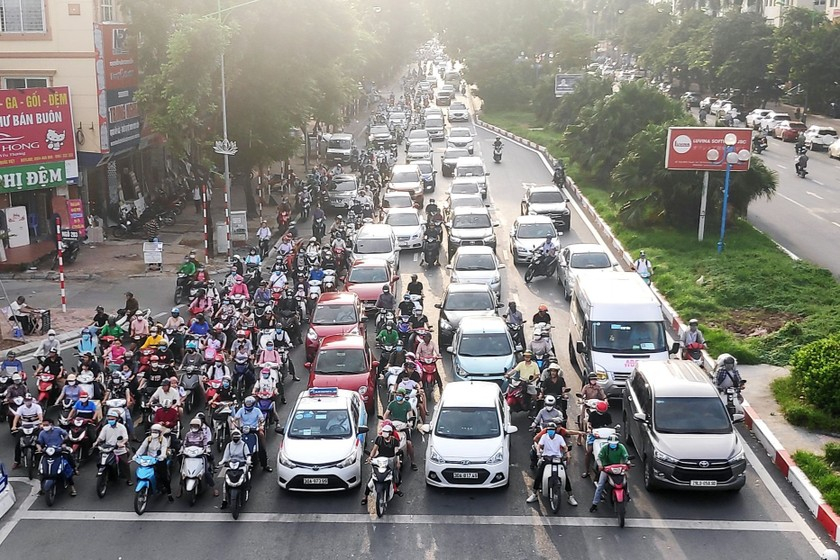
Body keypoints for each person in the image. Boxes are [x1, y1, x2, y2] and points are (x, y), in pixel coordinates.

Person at [527, 422, 578, 506]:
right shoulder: (544, 436)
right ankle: (534, 494)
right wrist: (538, 452)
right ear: (547, 430)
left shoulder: (559, 438)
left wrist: (567, 454)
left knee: (565, 477)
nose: (550, 431)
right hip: (546, 458)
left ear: (555, 430)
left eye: (552, 430)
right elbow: (539, 445)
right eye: (549, 430)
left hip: (557, 459)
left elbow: (565, 447)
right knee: (539, 475)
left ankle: (570, 496)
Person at [361, 423, 403, 505]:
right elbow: (374, 449)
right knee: (372, 478)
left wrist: (397, 461)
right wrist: (370, 457)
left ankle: (396, 489)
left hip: (390, 461)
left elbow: (396, 452)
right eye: (383, 431)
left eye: (386, 431)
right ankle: (365, 496)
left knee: (396, 476)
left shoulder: (395, 441)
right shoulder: (379, 439)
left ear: (390, 432)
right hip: (380, 460)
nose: (384, 433)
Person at [36, 417, 77, 496]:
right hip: (48, 451)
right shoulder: (42, 433)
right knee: (41, 469)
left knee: (67, 463)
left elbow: (66, 435)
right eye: (43, 425)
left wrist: (64, 443)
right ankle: (41, 488)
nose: (45, 426)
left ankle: (72, 486)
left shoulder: (58, 430)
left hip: (59, 450)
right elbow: (38, 442)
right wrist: (39, 448)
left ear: (51, 424)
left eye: (46, 425)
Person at [590, 434, 630, 512]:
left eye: (614, 444)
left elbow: (626, 456)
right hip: (606, 469)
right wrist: (600, 465)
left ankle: (627, 494)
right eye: (611, 444)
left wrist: (628, 463)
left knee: (625, 480)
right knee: (600, 485)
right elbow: (599, 458)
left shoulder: (621, 447)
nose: (613, 445)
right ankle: (594, 504)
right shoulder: (605, 448)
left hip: (618, 468)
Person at [179, 417, 218, 497]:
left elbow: (206, 444)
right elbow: (184, 444)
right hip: (189, 456)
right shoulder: (188, 434)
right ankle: (180, 488)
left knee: (206, 472)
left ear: (199, 426)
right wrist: (181, 450)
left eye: (196, 426)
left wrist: (207, 450)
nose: (194, 427)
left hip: (200, 456)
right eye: (193, 425)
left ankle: (214, 488)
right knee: (182, 472)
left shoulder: (202, 434)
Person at [135, 423, 173, 501]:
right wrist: (136, 455)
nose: (154, 433)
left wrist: (162, 456)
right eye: (153, 431)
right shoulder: (148, 439)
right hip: (149, 460)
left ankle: (169, 493)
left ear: (160, 432)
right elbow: (142, 447)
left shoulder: (163, 440)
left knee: (163, 477)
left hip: (159, 460)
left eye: (156, 432)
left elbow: (164, 449)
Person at [233, 395, 271, 472]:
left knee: (261, 445)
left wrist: (261, 425)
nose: (248, 406)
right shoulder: (241, 410)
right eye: (247, 404)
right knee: (235, 439)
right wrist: (235, 425)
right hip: (243, 430)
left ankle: (265, 465)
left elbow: (261, 419)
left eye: (250, 404)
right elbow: (235, 418)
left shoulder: (257, 410)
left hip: (254, 430)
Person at [94, 409, 132, 484]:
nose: (110, 421)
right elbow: (101, 437)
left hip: (119, 449)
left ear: (117, 419)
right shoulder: (106, 427)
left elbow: (125, 438)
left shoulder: (122, 427)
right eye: (109, 419)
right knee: (100, 461)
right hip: (108, 449)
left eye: (112, 419)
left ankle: (128, 479)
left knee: (124, 464)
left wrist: (122, 443)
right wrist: (96, 442)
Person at [384, 388, 418, 470]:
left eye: (399, 395)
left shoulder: (407, 404)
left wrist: (410, 423)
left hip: (403, 427)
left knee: (409, 443)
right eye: (397, 395)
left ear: (403, 396)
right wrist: (385, 421)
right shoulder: (392, 404)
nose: (398, 396)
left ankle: (412, 462)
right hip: (393, 427)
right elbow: (386, 414)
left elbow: (410, 414)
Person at [219, 428, 250, 509]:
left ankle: (246, 490)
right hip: (231, 465)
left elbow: (248, 455)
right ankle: (224, 500)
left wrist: (248, 460)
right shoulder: (229, 445)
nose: (236, 438)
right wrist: (222, 462)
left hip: (241, 465)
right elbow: (225, 456)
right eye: (234, 437)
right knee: (225, 483)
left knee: (246, 477)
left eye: (237, 437)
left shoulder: (244, 445)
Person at [11, 394, 43, 468]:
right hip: (24, 427)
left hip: (35, 426)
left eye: (29, 400)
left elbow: (40, 416)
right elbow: (16, 418)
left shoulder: (37, 407)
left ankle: (41, 457)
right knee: (18, 443)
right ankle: (17, 461)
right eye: (26, 400)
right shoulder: (21, 408)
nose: (27, 402)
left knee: (40, 440)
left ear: (31, 400)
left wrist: (41, 424)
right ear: (24, 401)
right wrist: (14, 426)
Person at [582, 400, 612, 477]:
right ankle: (586, 470)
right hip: (594, 434)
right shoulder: (593, 415)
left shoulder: (608, 415)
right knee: (589, 452)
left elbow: (609, 425)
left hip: (604, 435)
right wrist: (590, 429)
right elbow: (589, 423)